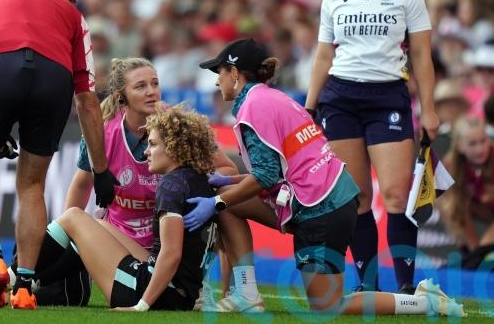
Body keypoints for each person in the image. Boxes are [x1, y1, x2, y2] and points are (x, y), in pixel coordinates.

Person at [184, 37, 464, 317]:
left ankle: (424, 302)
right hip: (323, 199)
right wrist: (229, 184)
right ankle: (246, 294)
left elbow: (267, 177)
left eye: (219, 72)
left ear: (235, 73)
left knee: (328, 306)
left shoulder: (253, 107)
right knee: (228, 201)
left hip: (322, 207)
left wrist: (216, 202)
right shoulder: (271, 97)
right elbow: (279, 169)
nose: (216, 81)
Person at [0, 57, 237, 307]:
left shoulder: (176, 127)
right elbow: (81, 184)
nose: (151, 91)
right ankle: (14, 281)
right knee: (65, 236)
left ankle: (8, 279)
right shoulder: (104, 131)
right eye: (140, 86)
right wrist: (68, 236)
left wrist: (196, 187)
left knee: (226, 196)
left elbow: (226, 170)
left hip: (160, 249)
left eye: (155, 83)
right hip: (122, 238)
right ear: (122, 97)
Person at [0, 0, 110, 310]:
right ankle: (23, 286)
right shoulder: (73, 16)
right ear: (65, 0)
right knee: (32, 186)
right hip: (54, 80)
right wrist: (101, 171)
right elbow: (87, 101)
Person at [303, 0, 439, 293]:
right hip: (340, 99)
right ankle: (368, 286)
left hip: (387, 96)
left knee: (396, 195)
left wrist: (429, 109)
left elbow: (422, 55)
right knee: (358, 198)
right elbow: (323, 56)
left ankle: (407, 288)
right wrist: (310, 108)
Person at [26, 105, 219, 311]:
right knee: (99, 226)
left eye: (152, 144)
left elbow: (172, 254)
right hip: (182, 294)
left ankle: (17, 275)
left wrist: (141, 306)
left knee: (73, 216)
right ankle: (34, 282)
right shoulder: (200, 180)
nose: (146, 152)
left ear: (174, 147)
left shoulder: (170, 185)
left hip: (150, 292)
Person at [438, 116, 494, 253]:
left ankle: (478, 255)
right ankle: (470, 251)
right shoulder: (451, 163)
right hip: (487, 210)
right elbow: (442, 201)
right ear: (460, 146)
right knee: (451, 204)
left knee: (484, 252)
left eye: (483, 141)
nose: (480, 149)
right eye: (472, 144)